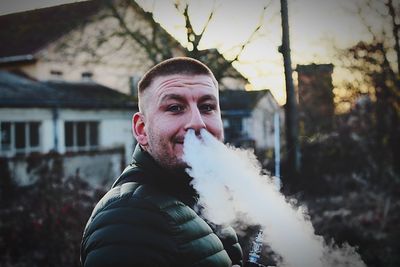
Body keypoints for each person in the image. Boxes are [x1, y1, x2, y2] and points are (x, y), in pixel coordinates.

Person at [80, 57, 243, 267]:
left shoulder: (194, 194)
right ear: (141, 129)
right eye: (175, 108)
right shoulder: (129, 219)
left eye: (207, 107)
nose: (197, 122)